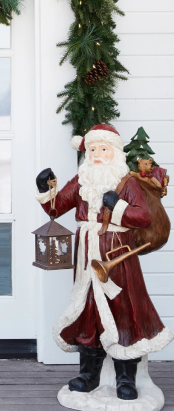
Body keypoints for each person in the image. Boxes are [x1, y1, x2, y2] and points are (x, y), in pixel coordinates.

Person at [36, 123, 172, 400]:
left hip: (117, 256)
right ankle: (89, 374)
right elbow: (56, 207)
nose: (97, 155)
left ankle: (126, 378)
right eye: (92, 150)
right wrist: (44, 189)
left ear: (115, 152)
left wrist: (118, 206)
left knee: (123, 311)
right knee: (88, 311)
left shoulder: (128, 183)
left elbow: (143, 218)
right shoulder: (82, 180)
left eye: (103, 149)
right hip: (87, 257)